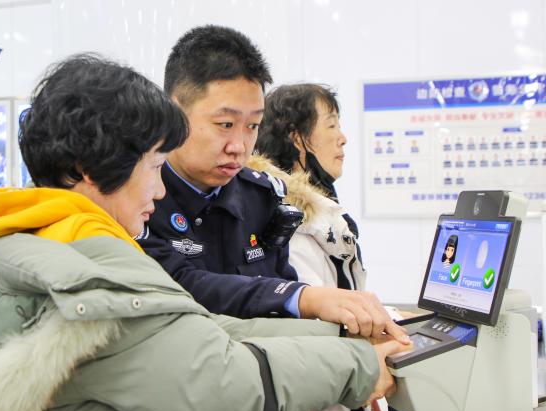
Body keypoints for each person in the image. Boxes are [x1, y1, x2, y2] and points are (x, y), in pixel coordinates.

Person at [0, 54, 409, 411]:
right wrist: (362, 366)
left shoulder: (38, 246)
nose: (160, 188)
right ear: (87, 170)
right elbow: (226, 382)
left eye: (252, 127)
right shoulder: (90, 280)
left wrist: (339, 338)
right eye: (151, 167)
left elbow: (199, 331)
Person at [138, 25, 408, 343]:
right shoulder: (137, 197)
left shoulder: (262, 197)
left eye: (252, 125)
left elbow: (281, 316)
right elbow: (182, 285)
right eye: (225, 124)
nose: (239, 145)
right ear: (173, 111)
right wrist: (303, 297)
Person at [254, 83, 373, 411]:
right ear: (297, 137)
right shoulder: (291, 222)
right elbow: (312, 328)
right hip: (324, 402)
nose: (343, 139)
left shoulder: (320, 215)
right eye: (332, 124)